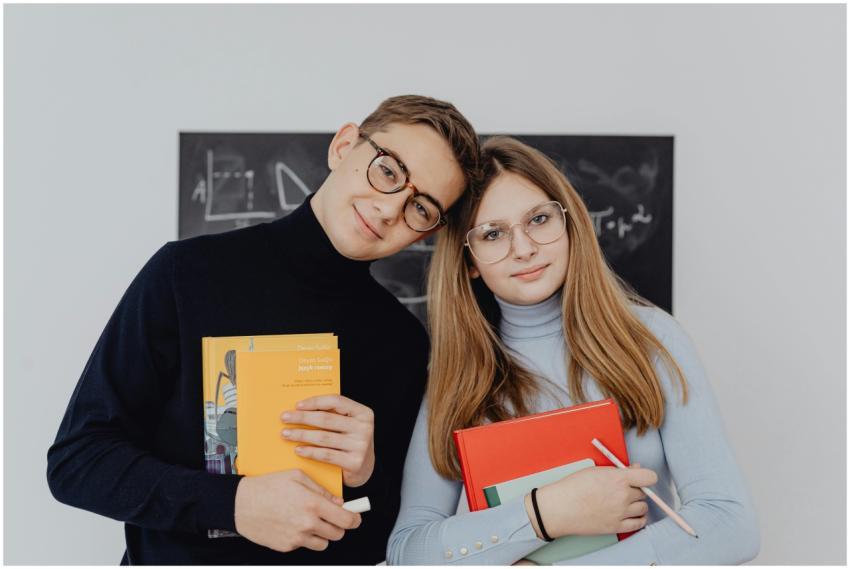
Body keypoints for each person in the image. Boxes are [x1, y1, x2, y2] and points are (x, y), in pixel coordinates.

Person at [47, 95, 481, 565]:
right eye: (389, 171)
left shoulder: (402, 342)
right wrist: (233, 504)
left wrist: (365, 477)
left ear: (429, 232)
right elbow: (78, 462)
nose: (389, 208)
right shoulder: (186, 274)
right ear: (344, 146)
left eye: (422, 207)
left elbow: (384, 542)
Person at [387, 136, 760, 565]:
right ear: (469, 260)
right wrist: (547, 514)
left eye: (539, 219)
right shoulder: (457, 375)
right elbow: (408, 553)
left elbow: (731, 523)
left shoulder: (651, 338)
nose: (524, 248)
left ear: (569, 223)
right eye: (493, 233)